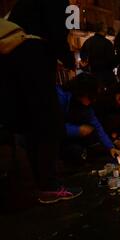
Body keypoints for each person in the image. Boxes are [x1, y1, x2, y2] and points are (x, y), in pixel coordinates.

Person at [0, 0, 82, 205]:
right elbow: (57, 28)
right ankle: (49, 184)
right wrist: (68, 60)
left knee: (31, 122)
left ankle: (38, 182)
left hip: (14, 60)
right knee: (48, 120)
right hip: (33, 57)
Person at [57, 73, 120, 164]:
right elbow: (53, 127)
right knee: (75, 151)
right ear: (83, 92)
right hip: (56, 140)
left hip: (72, 138)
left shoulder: (85, 105)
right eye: (91, 97)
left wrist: (110, 147)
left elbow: (96, 125)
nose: (93, 100)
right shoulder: (60, 97)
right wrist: (77, 130)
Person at [80, 22, 117, 90]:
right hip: (107, 75)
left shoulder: (89, 41)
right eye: (106, 28)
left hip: (94, 73)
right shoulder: (108, 43)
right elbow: (113, 60)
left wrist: (87, 67)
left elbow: (83, 57)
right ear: (103, 30)